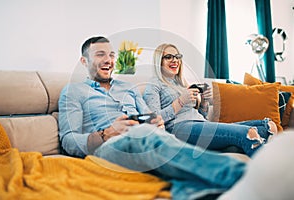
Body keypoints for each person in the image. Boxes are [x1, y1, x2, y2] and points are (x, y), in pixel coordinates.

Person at [58, 36, 247, 199]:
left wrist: (158, 122)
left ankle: (196, 193)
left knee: (153, 137)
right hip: (106, 147)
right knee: (145, 136)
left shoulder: (129, 87)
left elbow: (152, 116)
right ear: (84, 61)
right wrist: (106, 134)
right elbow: (68, 139)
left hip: (147, 136)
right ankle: (245, 178)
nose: (108, 60)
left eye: (111, 55)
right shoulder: (73, 91)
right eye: (100, 55)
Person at [143, 43, 278, 157]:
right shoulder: (154, 85)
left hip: (199, 123)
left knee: (268, 126)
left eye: (177, 56)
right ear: (159, 61)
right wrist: (180, 102)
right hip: (179, 128)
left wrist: (204, 102)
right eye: (168, 57)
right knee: (248, 133)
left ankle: (228, 148)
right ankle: (269, 179)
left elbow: (201, 117)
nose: (175, 60)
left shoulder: (182, 84)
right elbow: (154, 121)